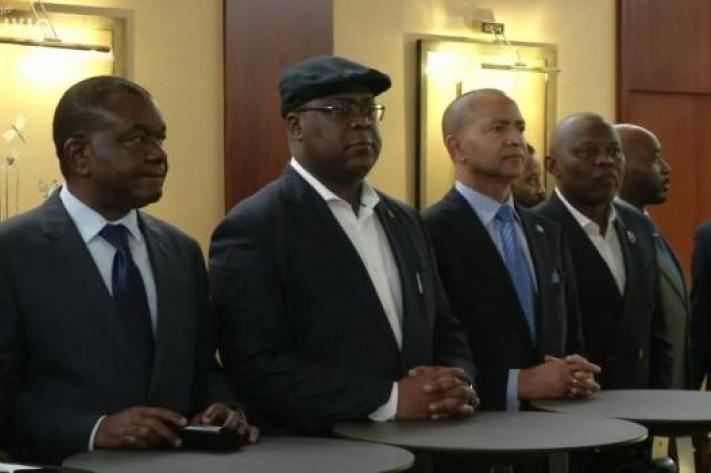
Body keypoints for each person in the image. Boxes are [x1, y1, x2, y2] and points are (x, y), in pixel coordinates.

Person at [209, 56, 477, 435]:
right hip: (324, 448)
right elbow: (257, 367)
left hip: (429, 442)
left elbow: (444, 327)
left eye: (369, 110)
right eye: (340, 110)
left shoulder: (403, 220)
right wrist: (389, 399)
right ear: (296, 126)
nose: (361, 122)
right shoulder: (254, 228)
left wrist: (455, 380)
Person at [0, 76, 257, 464]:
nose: (158, 155)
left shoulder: (181, 251)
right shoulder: (12, 252)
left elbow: (203, 368)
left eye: (160, 139)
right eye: (138, 139)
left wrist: (222, 407)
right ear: (79, 155)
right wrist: (94, 429)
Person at [423, 89, 599, 413]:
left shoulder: (546, 232)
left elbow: (571, 335)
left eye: (520, 128)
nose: (516, 140)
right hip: (475, 427)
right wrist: (515, 385)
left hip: (555, 427)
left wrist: (575, 371)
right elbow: (430, 350)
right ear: (456, 147)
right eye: (498, 129)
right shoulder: (428, 232)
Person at [617, 123, 691, 389]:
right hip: (637, 396)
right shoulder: (613, 232)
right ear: (622, 166)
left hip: (671, 393)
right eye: (655, 159)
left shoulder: (645, 226)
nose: (667, 168)